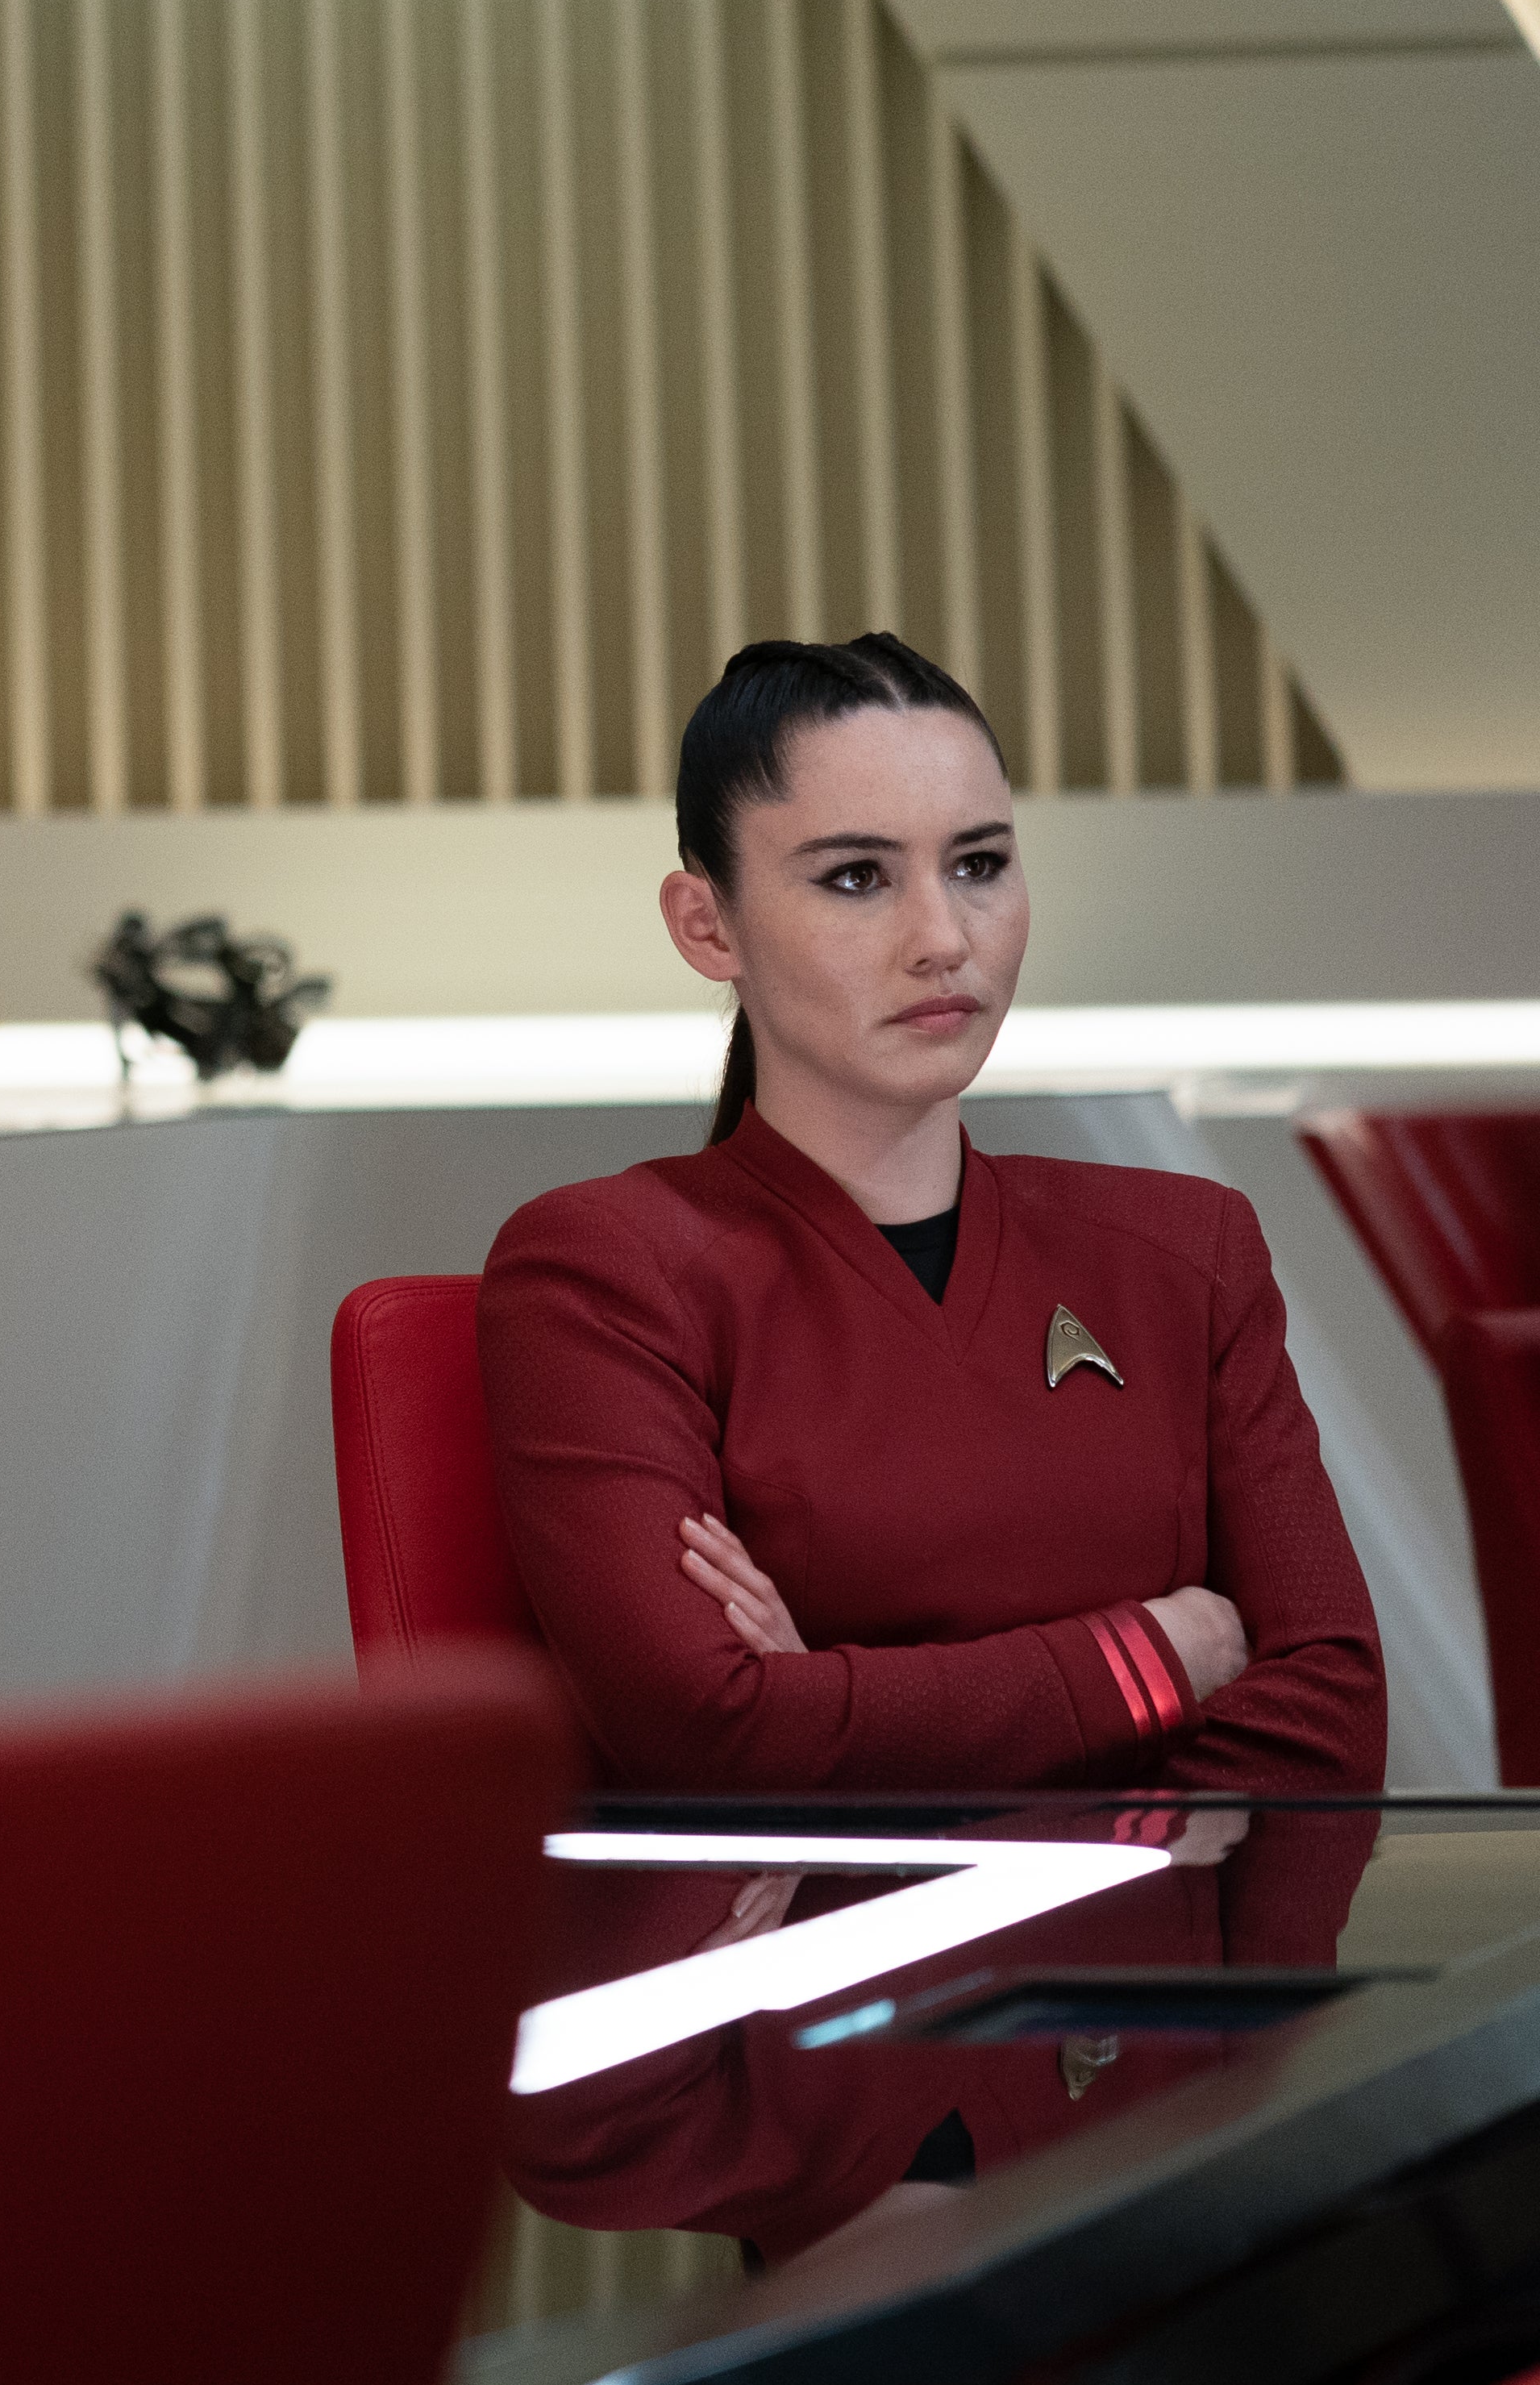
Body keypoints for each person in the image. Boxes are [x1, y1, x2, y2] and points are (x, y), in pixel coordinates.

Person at [482, 635, 1382, 1794]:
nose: (946, 939)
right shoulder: (603, 1268)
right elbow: (707, 1729)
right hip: (819, 1924)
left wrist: (835, 1701)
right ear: (708, 925)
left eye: (980, 864)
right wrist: (1161, 1655)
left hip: (1165, 1920)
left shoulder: (1187, 1249)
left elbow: (1333, 1717)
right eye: (857, 877)